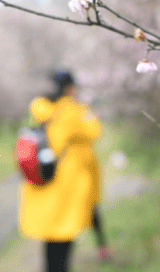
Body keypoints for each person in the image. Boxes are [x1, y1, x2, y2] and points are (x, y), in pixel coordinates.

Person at [19, 70, 110, 272]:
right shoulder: (72, 110)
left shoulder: (39, 108)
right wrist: (88, 111)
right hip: (68, 180)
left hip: (45, 176)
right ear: (70, 88)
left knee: (50, 235)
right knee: (64, 234)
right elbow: (94, 132)